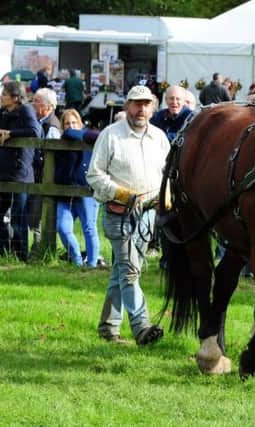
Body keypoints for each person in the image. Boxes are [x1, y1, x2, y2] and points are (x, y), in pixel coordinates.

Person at [86, 85, 169, 345]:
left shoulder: (159, 137)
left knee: (123, 272)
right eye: (136, 104)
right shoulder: (110, 135)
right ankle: (142, 326)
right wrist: (122, 193)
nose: (141, 109)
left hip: (148, 214)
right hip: (118, 212)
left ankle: (108, 328)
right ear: (127, 107)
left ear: (153, 107)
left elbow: (168, 173)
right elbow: (94, 175)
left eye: (146, 104)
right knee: (130, 271)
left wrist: (166, 196)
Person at [0, 81, 42, 261]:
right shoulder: (4, 112)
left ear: (15, 98)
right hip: (1, 173)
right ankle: (4, 252)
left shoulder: (26, 110)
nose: (1, 97)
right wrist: (0, 131)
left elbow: (34, 131)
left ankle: (21, 256)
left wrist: (12, 134)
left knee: (18, 217)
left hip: (20, 173)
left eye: (5, 95)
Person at [55, 109, 100, 268]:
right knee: (62, 227)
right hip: (65, 192)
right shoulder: (60, 141)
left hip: (85, 190)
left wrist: (82, 134)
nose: (71, 126)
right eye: (67, 123)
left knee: (89, 227)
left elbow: (96, 136)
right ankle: (77, 260)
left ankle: (93, 265)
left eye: (74, 122)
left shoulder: (88, 139)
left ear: (80, 123)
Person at [29, 88, 61, 256]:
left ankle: (38, 250)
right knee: (34, 214)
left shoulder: (52, 126)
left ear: (47, 106)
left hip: (44, 177)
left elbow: (52, 156)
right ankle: (36, 249)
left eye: (36, 101)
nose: (33, 104)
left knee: (40, 213)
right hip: (37, 175)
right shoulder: (40, 122)